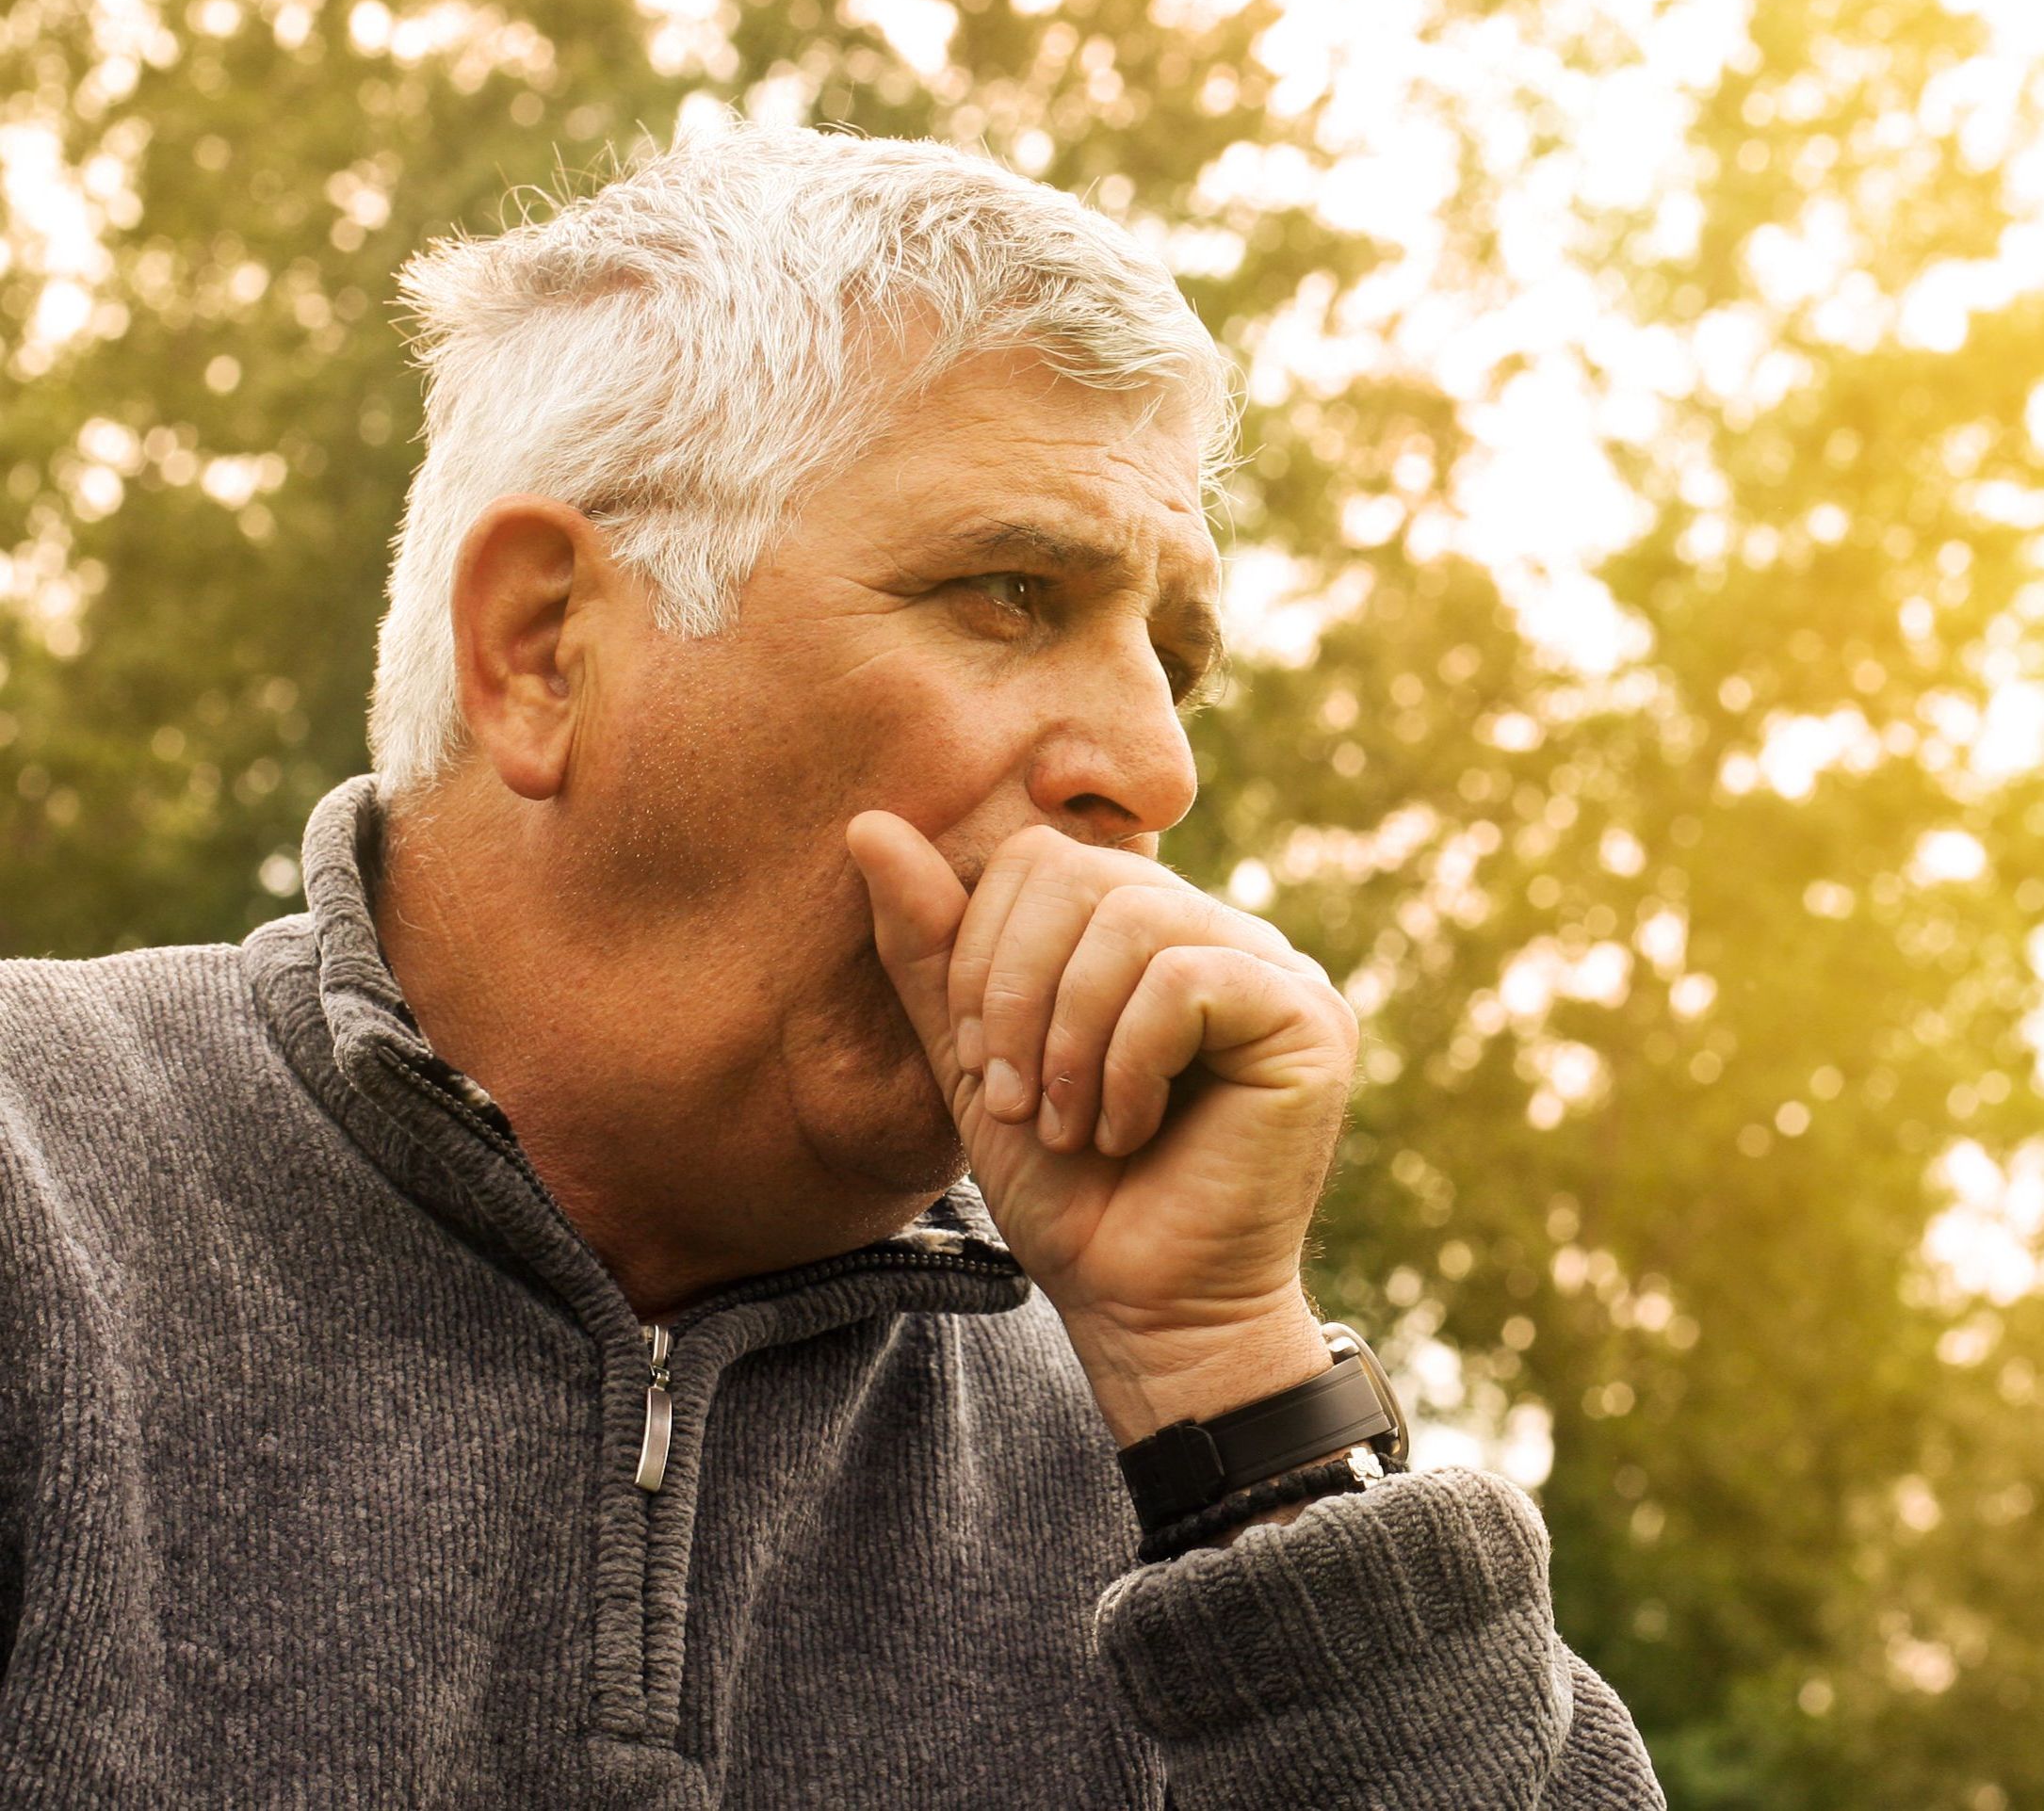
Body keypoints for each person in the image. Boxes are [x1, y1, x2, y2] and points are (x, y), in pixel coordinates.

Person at [0, 119, 1664, 1807]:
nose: (1155, 769)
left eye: (1171, 656)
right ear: (540, 649)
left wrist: (1232, 1410)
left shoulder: (1167, 1448)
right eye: (1010, 594)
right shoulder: (37, 1198)